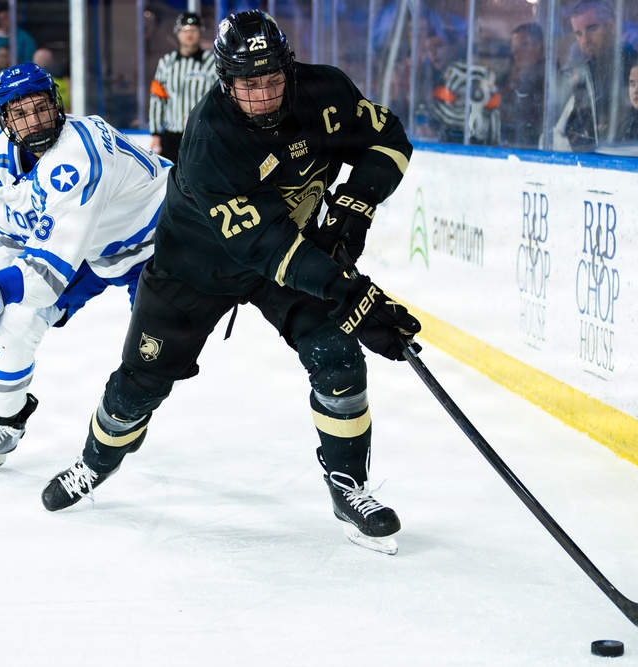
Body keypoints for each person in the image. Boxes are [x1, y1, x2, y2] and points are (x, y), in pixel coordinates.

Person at [40, 10, 421, 556]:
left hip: (291, 256)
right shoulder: (208, 138)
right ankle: (95, 462)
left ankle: (349, 488)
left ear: (288, 68)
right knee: (137, 388)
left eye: (271, 79)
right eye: (248, 84)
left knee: (340, 362)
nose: (263, 95)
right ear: (226, 82)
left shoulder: (327, 90)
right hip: (195, 270)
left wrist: (354, 210)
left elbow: (389, 141)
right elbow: (259, 246)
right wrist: (348, 290)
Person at [0, 62, 171, 474]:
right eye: (20, 113)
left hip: (162, 242)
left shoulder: (79, 153)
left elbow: (45, 277)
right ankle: (4, 426)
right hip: (90, 249)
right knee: (14, 323)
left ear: (56, 104)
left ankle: (123, 420)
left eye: (40, 107)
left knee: (154, 356)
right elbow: (7, 245)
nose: (34, 120)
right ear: (5, 120)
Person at [560, 1, 638, 151]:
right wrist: (586, 132)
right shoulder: (585, 73)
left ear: (612, 26)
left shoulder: (633, 67)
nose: (585, 39)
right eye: (578, 33)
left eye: (592, 28)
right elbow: (574, 125)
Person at [148, 11, 216, 161]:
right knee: (172, 181)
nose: (189, 34)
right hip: (172, 136)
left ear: (200, 32)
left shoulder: (211, 62)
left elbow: (220, 98)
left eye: (193, 30)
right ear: (177, 33)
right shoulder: (166, 62)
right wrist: (155, 134)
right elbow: (157, 99)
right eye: (185, 30)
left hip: (202, 134)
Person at [501, 22, 546, 148]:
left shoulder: (547, 79)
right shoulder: (510, 77)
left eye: (522, 45)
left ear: (537, 46)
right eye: (513, 46)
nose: (515, 52)